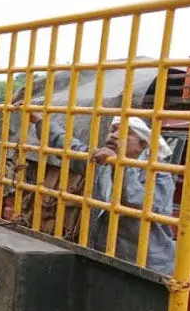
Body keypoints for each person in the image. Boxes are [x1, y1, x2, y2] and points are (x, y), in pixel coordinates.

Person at [28, 111, 176, 274]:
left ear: (143, 145)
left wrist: (120, 167)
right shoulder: (102, 163)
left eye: (126, 133)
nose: (114, 135)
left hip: (147, 267)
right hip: (107, 259)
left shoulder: (159, 173)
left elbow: (141, 205)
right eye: (113, 130)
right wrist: (41, 120)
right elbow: (69, 147)